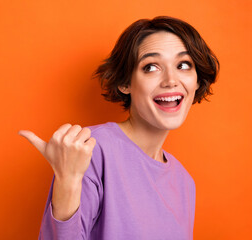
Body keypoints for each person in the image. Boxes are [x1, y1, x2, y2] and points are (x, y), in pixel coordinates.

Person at [19, 16, 219, 240]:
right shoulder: (91, 150)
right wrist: (68, 182)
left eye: (183, 65)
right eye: (151, 67)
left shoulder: (184, 182)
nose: (171, 80)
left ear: (197, 80)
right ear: (125, 83)